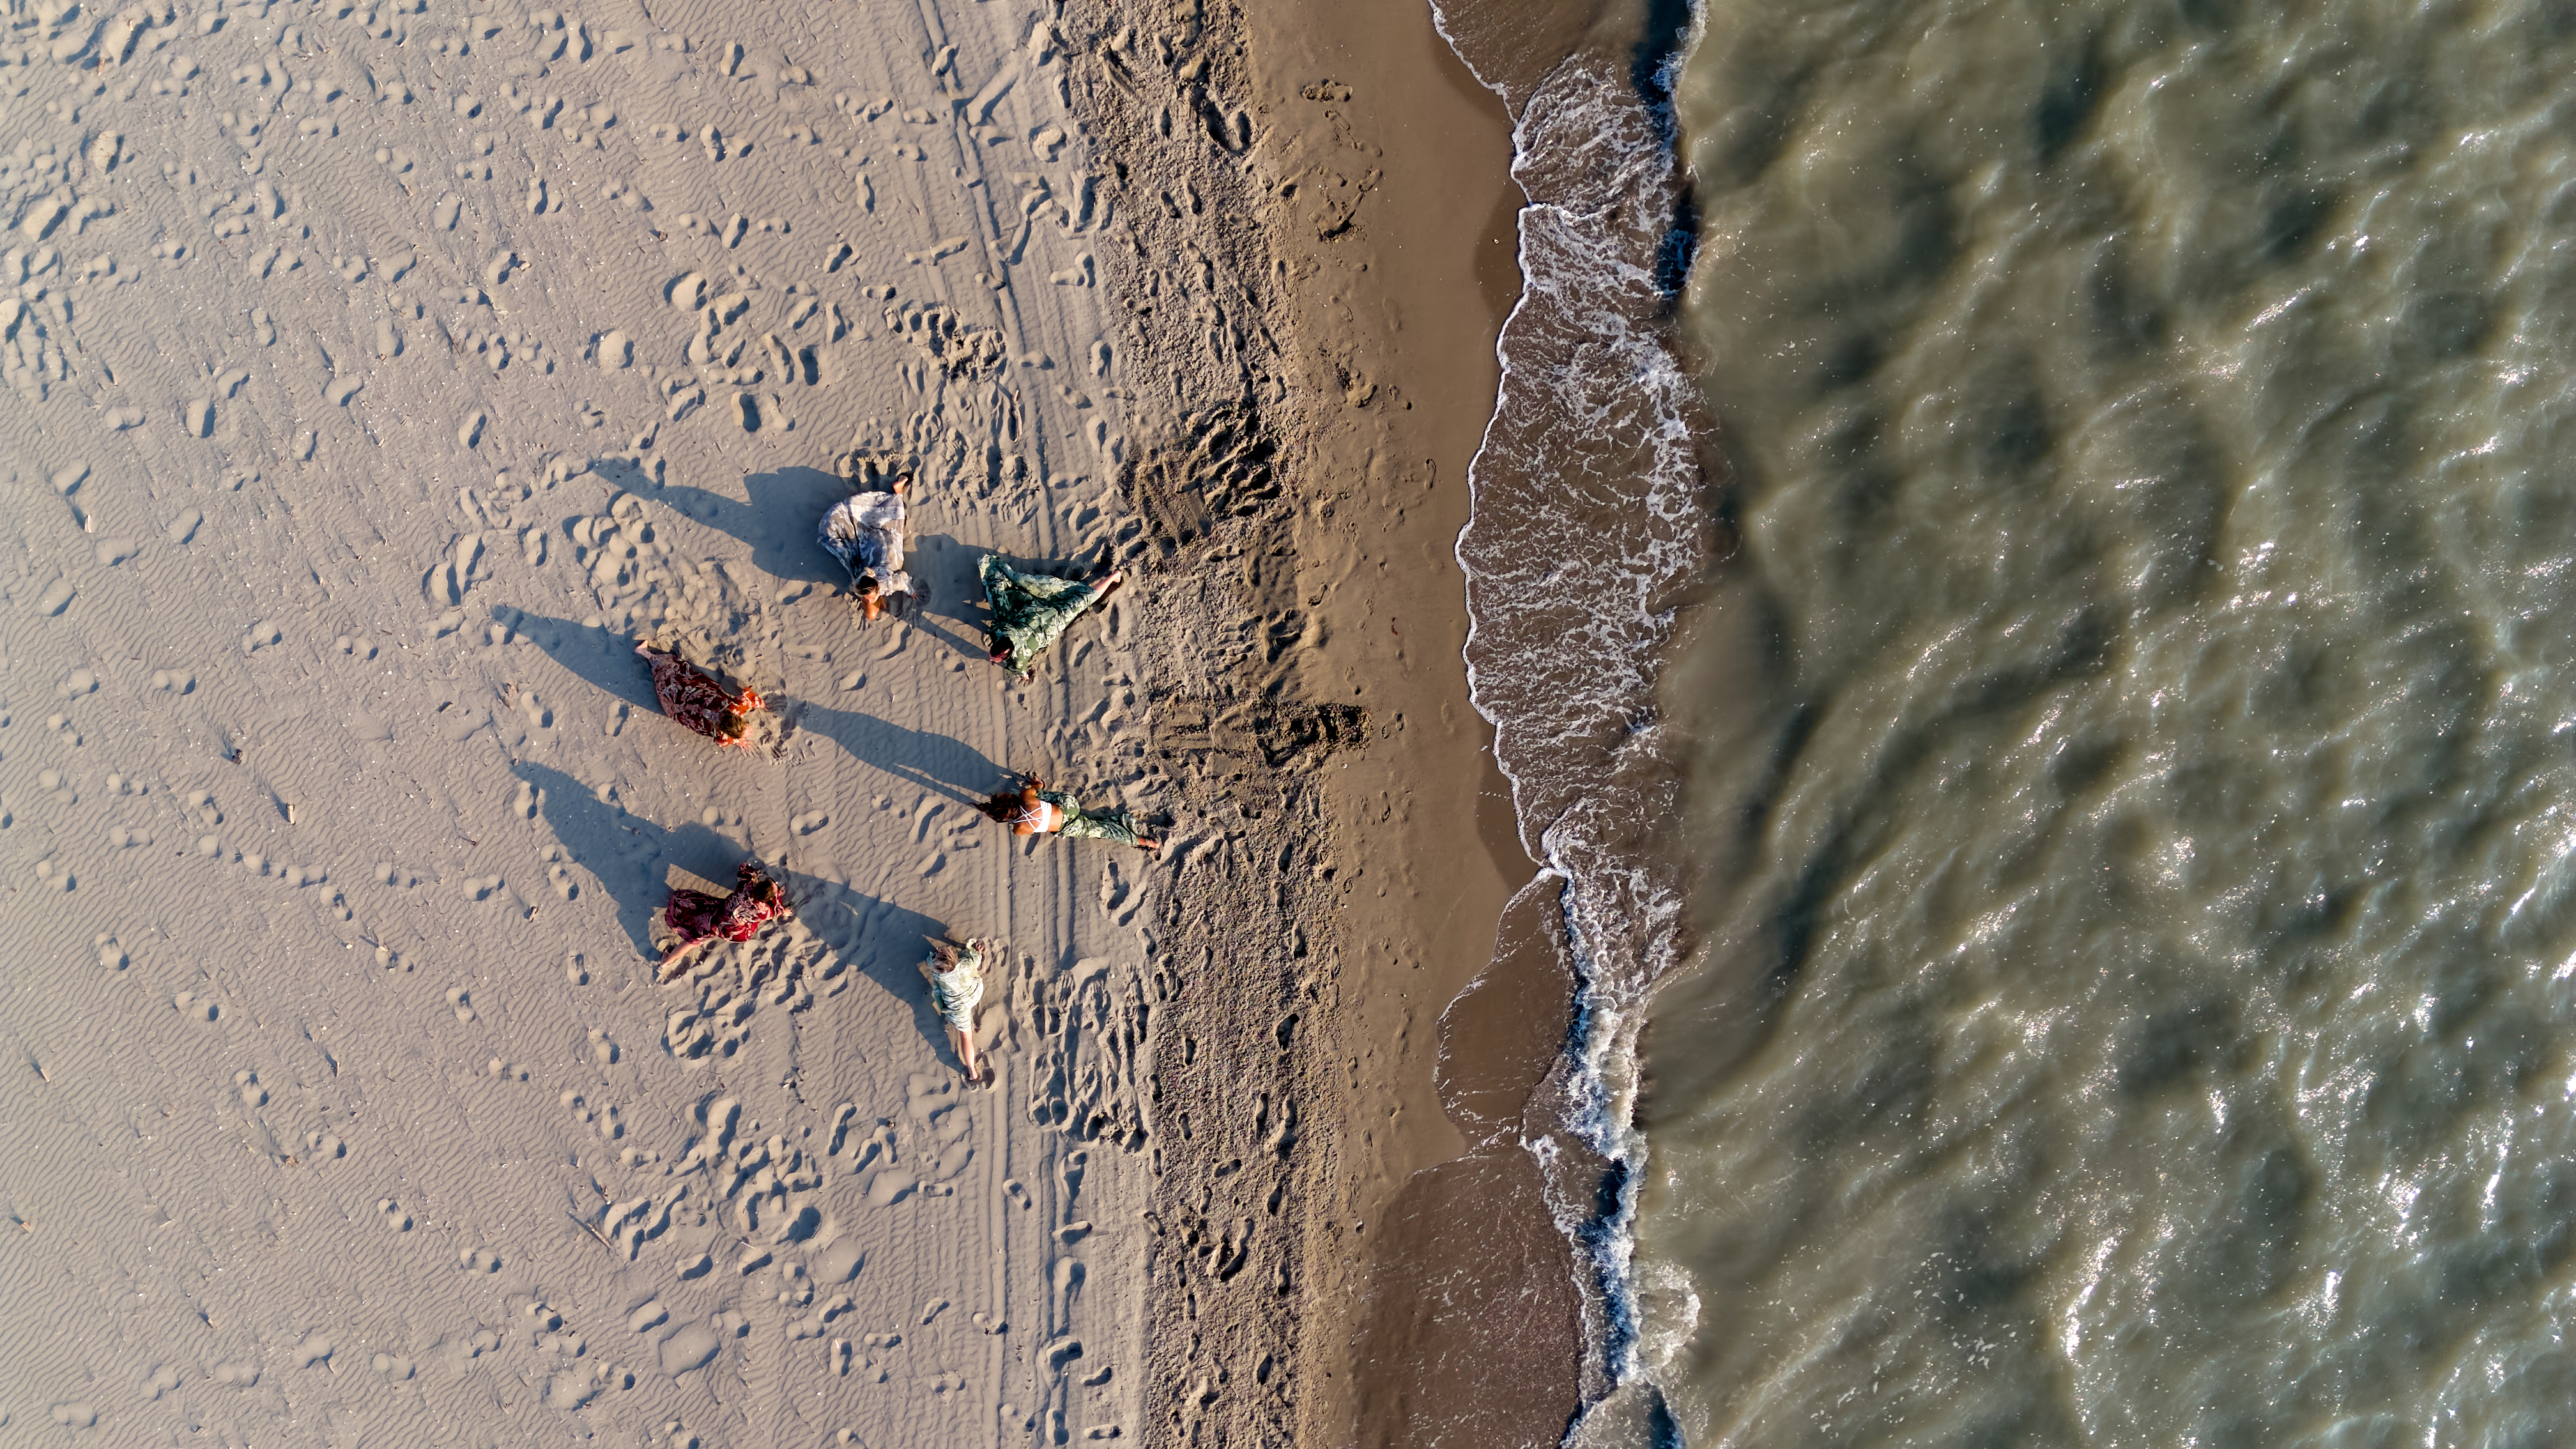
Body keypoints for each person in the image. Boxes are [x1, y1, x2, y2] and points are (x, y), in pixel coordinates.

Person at [977, 555, 1124, 677]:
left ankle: (1113, 578)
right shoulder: (1003, 632)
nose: (991, 658)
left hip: (1053, 622)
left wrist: (1025, 676)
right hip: (1038, 611)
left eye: (994, 658)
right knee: (1083, 599)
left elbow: (1022, 672)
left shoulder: (1017, 661)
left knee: (1083, 601)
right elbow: (996, 627)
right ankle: (1114, 577)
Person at [659, 861, 793, 972]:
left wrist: (752, 872)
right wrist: (783, 907)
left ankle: (667, 960)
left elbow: (743, 869)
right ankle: (666, 960)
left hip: (717, 915)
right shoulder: (764, 911)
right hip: (732, 931)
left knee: (694, 935)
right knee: (693, 942)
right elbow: (778, 911)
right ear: (768, 900)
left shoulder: (745, 887)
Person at [819, 473, 914, 622]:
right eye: (867, 598)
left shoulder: (888, 583)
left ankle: (898, 492)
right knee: (871, 614)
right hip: (876, 547)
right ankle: (898, 493)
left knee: (871, 614)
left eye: (869, 598)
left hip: (884, 547)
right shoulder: (861, 581)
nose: (868, 600)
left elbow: (903, 580)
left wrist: (911, 591)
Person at [636, 640, 767, 747]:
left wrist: (759, 703)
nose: (751, 731)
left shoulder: (735, 708)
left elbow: (746, 697)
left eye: (748, 730)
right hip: (674, 709)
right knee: (669, 681)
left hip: (685, 693)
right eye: (748, 731)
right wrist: (739, 741)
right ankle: (645, 654)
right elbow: (720, 743)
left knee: (673, 675)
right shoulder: (723, 736)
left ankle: (646, 654)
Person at [979, 773, 1158, 851]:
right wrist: (1038, 786)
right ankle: (1143, 841)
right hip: (1069, 804)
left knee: (1103, 831)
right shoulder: (1025, 796)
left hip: (1070, 826)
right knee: (1040, 794)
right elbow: (1037, 788)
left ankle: (1144, 842)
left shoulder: (1018, 830)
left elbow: (1031, 828)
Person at [919, 937, 990, 1082]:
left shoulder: (938, 975)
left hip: (958, 1010)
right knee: (969, 959)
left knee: (966, 1036)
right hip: (973, 995)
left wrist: (934, 958)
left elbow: (931, 964)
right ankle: (971, 1068)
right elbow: (976, 960)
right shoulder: (965, 965)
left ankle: (972, 1071)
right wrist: (976, 952)